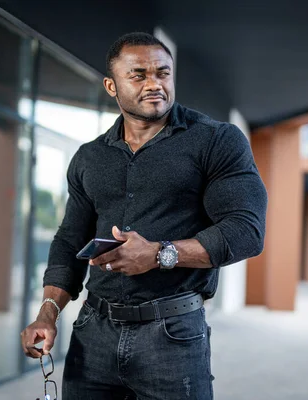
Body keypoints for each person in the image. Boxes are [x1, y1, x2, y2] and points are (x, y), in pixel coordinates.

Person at [21, 31, 268, 400]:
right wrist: (47, 313)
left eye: (163, 73)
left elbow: (246, 230)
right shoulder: (89, 158)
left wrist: (157, 254)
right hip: (93, 331)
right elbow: (70, 240)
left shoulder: (217, 140)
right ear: (111, 85)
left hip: (173, 334)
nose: (154, 84)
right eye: (138, 75)